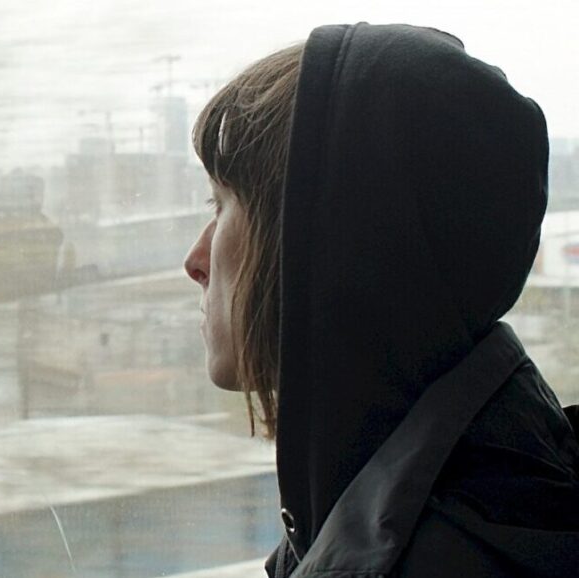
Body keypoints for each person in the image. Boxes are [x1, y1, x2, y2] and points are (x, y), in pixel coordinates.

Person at [183, 23, 579, 577]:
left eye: (222, 205)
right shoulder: (493, 480)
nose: (194, 261)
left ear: (329, 246)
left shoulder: (436, 558)